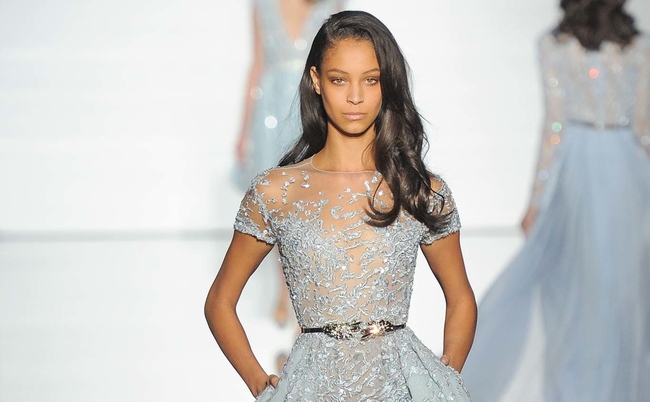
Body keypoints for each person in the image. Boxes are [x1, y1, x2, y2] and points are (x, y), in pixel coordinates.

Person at [206, 10, 477, 400]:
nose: (355, 97)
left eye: (371, 80)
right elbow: (220, 300)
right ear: (316, 80)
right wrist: (258, 383)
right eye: (339, 80)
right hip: (311, 388)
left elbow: (461, 296)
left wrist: (444, 381)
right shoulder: (276, 192)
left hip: (400, 388)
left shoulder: (417, 190)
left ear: (387, 84)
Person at [462, 1, 650, 401]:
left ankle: (581, 387)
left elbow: (554, 126)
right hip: (626, 168)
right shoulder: (637, 46)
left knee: (578, 286)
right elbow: (643, 126)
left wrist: (536, 200)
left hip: (579, 166)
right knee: (622, 290)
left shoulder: (555, 44)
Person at [234, 0, 345, 334]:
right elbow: (257, 63)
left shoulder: (330, 4)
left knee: (311, 203)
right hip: (270, 109)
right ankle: (286, 291)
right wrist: (243, 131)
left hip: (310, 103)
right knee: (276, 205)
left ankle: (308, 294)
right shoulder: (264, 6)